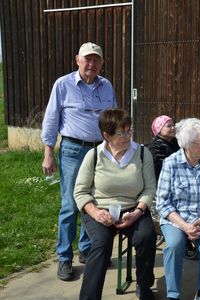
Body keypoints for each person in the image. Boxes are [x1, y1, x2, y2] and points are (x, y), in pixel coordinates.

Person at [41, 42, 117, 281]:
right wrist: (48, 152)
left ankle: (85, 249)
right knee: (70, 204)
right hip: (73, 150)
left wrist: (116, 148)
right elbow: (51, 119)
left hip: (99, 151)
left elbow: (112, 119)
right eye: (87, 59)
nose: (91, 64)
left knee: (94, 200)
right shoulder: (63, 85)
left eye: (96, 60)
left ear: (101, 63)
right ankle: (64, 257)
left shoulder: (106, 86)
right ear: (77, 60)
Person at [74, 108, 157, 300]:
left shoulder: (143, 154)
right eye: (122, 133)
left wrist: (137, 212)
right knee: (101, 243)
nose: (128, 136)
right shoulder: (94, 156)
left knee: (146, 237)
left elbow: (149, 190)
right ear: (106, 135)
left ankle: (144, 287)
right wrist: (95, 213)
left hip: (133, 208)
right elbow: (80, 191)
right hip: (100, 208)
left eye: (130, 131)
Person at [156, 118, 200, 300]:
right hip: (176, 219)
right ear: (187, 145)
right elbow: (162, 202)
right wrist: (184, 226)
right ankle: (173, 294)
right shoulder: (171, 163)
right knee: (174, 245)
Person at [146, 115, 180, 180]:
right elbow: (160, 168)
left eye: (173, 125)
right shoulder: (155, 147)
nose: (173, 128)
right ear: (159, 129)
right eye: (169, 126)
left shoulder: (177, 143)